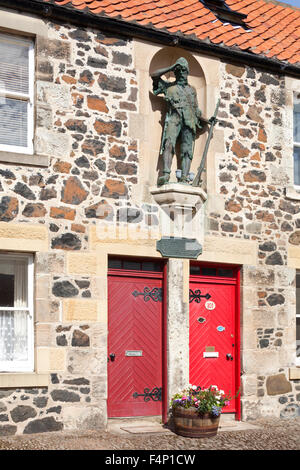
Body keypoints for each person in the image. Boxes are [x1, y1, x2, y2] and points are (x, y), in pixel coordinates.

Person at [151, 57, 208, 186]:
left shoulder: (192, 90)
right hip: (173, 119)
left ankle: (184, 177)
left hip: (189, 121)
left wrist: (207, 120)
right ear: (175, 72)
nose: (182, 73)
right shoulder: (169, 87)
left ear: (187, 72)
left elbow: (196, 111)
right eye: (179, 70)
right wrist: (171, 68)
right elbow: (154, 76)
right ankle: (165, 174)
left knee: (187, 150)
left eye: (184, 70)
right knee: (168, 144)